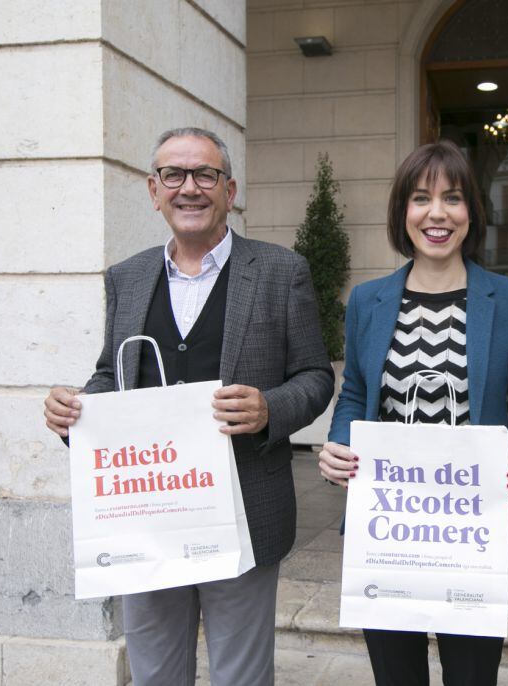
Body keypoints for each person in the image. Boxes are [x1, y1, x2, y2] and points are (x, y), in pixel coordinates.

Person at [43, 127, 334, 686]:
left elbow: (315, 376)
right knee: (154, 674)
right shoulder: (127, 277)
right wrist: (79, 409)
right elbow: (113, 372)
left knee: (241, 677)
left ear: (230, 189)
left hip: (245, 511)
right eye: (174, 175)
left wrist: (270, 407)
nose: (190, 188)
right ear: (154, 191)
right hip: (145, 518)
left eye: (205, 175)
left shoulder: (280, 271)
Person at [318, 140, 508, 686]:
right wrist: (338, 441)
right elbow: (353, 393)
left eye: (453, 198)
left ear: (473, 213)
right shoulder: (368, 301)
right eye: (421, 198)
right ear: (403, 212)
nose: (437, 213)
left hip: (477, 533)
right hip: (390, 530)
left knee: (472, 678)